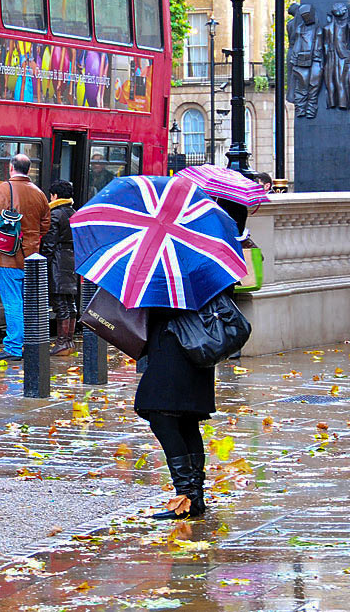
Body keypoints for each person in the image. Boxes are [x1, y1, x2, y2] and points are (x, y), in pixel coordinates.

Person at [134, 198, 247, 520]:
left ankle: (186, 496)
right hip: (193, 352)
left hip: (178, 348)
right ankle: (193, 499)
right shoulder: (213, 255)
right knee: (183, 418)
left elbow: (166, 304)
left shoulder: (177, 258)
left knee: (159, 411)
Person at [0, 154, 50, 361]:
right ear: (28, 170)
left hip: (8, 256)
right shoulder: (39, 193)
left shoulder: (4, 189)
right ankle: (28, 342)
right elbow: (45, 225)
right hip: (31, 256)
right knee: (27, 301)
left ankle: (13, 347)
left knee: (12, 301)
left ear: (11, 168)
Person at [41, 180, 78, 356]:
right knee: (69, 301)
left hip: (58, 262)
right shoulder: (73, 212)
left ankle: (62, 342)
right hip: (71, 261)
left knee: (60, 303)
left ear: (55, 196)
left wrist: (42, 264)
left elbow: (49, 244)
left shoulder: (55, 215)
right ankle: (68, 341)